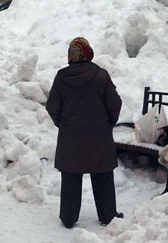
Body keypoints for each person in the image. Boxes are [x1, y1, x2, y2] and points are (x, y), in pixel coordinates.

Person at [46, 37, 124, 228]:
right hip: (99, 136)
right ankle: (107, 216)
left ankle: (68, 217)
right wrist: (108, 124)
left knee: (71, 176)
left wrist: (63, 125)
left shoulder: (61, 76)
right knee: (102, 175)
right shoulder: (101, 75)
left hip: (70, 137)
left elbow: (52, 107)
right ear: (88, 53)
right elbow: (115, 104)